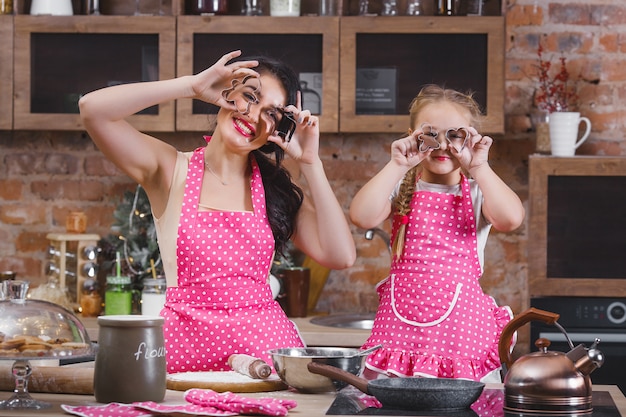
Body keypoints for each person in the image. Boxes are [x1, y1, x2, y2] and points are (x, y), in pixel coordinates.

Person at [79, 50, 356, 373]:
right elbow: (92, 110)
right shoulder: (170, 170)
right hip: (181, 362)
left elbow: (342, 256)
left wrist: (311, 163)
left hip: (264, 363)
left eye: (270, 113)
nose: (253, 115)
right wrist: (191, 86)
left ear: (276, 130)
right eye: (250, 97)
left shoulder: (276, 190)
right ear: (227, 92)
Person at [349, 84, 525, 382]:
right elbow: (362, 216)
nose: (443, 145)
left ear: (471, 139)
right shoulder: (399, 188)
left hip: (461, 340)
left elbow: (511, 219)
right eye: (430, 134)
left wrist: (479, 167)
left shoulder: (479, 193)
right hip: (399, 338)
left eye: (455, 135)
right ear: (411, 135)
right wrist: (397, 164)